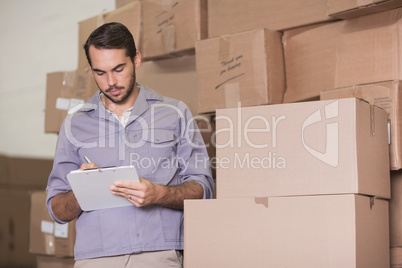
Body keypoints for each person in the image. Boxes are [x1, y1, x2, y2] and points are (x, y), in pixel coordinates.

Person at [46, 22, 214, 267]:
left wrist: (160, 194)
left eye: (118, 68)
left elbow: (203, 189)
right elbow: (56, 210)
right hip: (95, 257)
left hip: (158, 254)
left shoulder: (174, 113)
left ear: (136, 59)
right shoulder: (75, 123)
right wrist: (82, 192)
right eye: (99, 73)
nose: (110, 82)